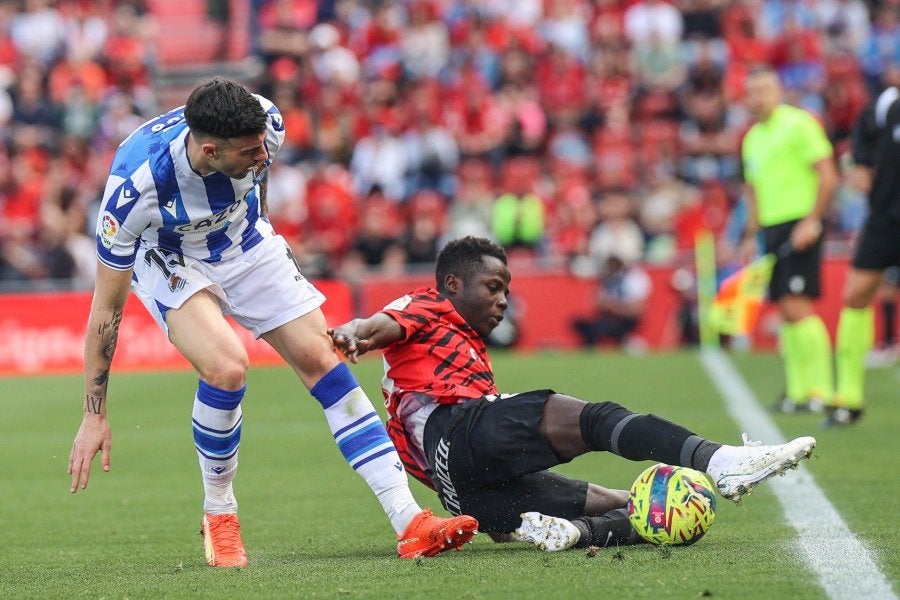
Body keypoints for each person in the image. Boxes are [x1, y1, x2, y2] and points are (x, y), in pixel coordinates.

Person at [67, 78, 478, 567]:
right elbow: (106, 310)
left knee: (322, 358)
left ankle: (409, 521)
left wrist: (259, 230)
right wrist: (94, 413)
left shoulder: (267, 121)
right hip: (169, 259)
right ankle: (219, 514)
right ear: (211, 149)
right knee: (227, 367)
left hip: (244, 241)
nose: (263, 154)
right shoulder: (134, 191)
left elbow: (256, 174)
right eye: (249, 150)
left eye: (264, 144)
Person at [329, 236, 817, 551]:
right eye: (492, 286)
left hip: (461, 491)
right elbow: (384, 323)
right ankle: (720, 462)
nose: (502, 300)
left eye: (507, 290)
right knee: (594, 419)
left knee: (622, 506)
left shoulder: (461, 347)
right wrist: (357, 332)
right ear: (454, 283)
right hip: (460, 433)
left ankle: (573, 534)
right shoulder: (429, 304)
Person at [740, 66, 838, 414]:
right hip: (772, 228)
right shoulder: (752, 138)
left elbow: (828, 176)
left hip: (800, 222)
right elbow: (752, 192)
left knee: (797, 305)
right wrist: (751, 234)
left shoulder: (799, 124)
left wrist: (812, 221)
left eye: (765, 88)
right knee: (784, 306)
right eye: (753, 90)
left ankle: (822, 389)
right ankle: (798, 391)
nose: (759, 96)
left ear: (778, 90)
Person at [830, 85, 900, 426]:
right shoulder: (889, 105)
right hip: (885, 218)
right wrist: (859, 164)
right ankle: (848, 398)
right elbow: (861, 131)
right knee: (856, 295)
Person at [572, 254, 652, 348]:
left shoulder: (634, 278)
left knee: (601, 328)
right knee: (582, 324)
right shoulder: (608, 279)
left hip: (627, 320)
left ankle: (625, 340)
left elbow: (636, 310)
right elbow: (597, 303)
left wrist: (612, 306)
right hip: (610, 317)